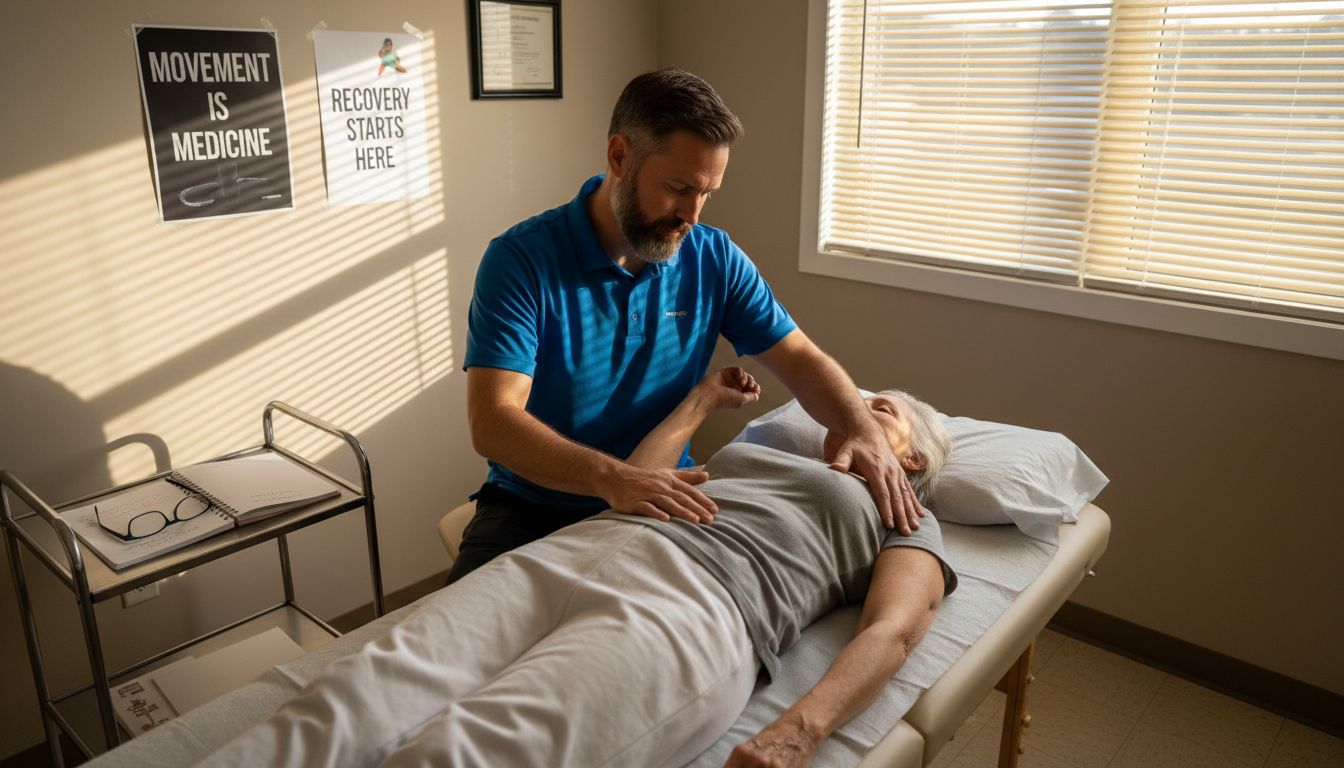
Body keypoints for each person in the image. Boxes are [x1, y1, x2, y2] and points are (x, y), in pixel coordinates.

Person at [197, 369, 956, 768]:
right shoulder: (755, 455)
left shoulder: (907, 519)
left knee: (463, 755)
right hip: (579, 550)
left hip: (697, 609)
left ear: (912, 457)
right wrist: (701, 401)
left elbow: (896, 629)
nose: (851, 406)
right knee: (347, 702)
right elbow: (638, 481)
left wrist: (803, 728)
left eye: (877, 407)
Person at [454, 68, 921, 583]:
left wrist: (861, 430)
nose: (692, 216)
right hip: (532, 507)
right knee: (450, 641)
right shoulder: (520, 261)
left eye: (707, 194)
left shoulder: (712, 258)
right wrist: (616, 479)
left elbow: (800, 358)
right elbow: (494, 420)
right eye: (679, 189)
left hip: (666, 498)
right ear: (619, 157)